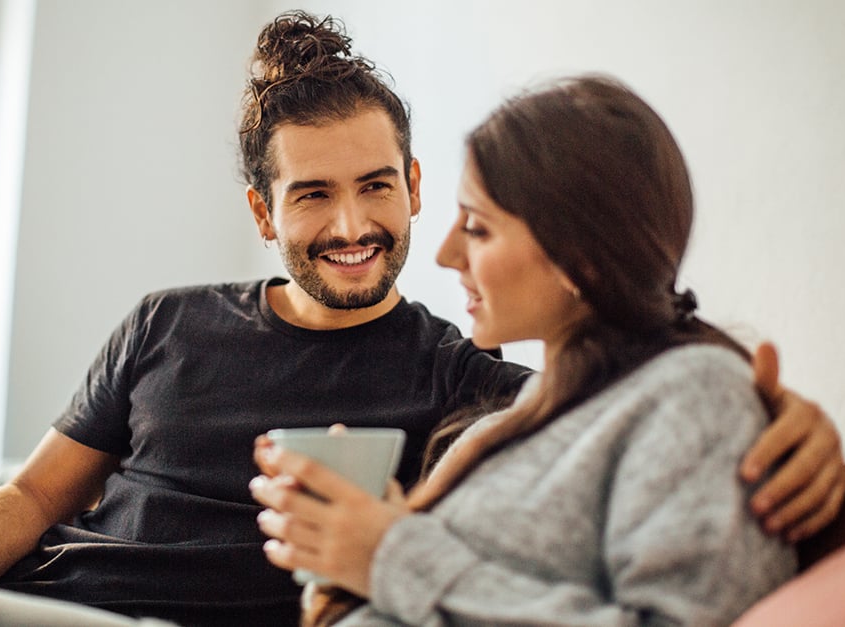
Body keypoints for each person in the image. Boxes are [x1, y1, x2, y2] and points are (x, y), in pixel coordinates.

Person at [0, 11, 844, 627]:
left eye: (377, 186)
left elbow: (621, 378)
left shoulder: (467, 380)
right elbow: (33, 496)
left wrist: (784, 413)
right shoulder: (164, 324)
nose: (354, 224)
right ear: (263, 209)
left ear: (413, 183)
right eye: (314, 195)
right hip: (30, 603)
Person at [248, 74, 806, 626]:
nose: (444, 254)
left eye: (478, 228)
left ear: (581, 254)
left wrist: (390, 555)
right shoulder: (513, 420)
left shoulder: (694, 396)